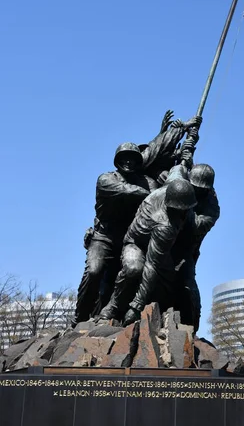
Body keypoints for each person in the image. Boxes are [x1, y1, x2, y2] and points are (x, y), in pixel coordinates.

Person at [73, 113, 202, 326]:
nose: (129, 161)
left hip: (131, 237)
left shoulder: (148, 182)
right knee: (95, 271)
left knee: (141, 272)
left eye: (133, 158)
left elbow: (156, 149)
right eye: (124, 158)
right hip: (104, 237)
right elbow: (134, 190)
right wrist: (157, 193)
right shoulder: (107, 180)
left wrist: (184, 142)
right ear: (117, 161)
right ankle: (79, 319)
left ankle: (131, 315)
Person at [98, 166, 197, 325]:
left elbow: (178, 168)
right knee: (133, 269)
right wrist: (136, 306)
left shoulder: (172, 186)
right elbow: (151, 265)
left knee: (169, 282)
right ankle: (113, 307)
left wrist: (185, 159)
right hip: (136, 243)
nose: (185, 214)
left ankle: (162, 316)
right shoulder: (166, 225)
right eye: (182, 210)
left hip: (159, 248)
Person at [171, 164, 220, 331]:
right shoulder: (180, 178)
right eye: (193, 187)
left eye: (201, 189)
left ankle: (190, 331)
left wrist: (183, 199)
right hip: (161, 241)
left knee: (188, 288)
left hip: (185, 250)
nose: (196, 191)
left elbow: (196, 226)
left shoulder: (211, 207)